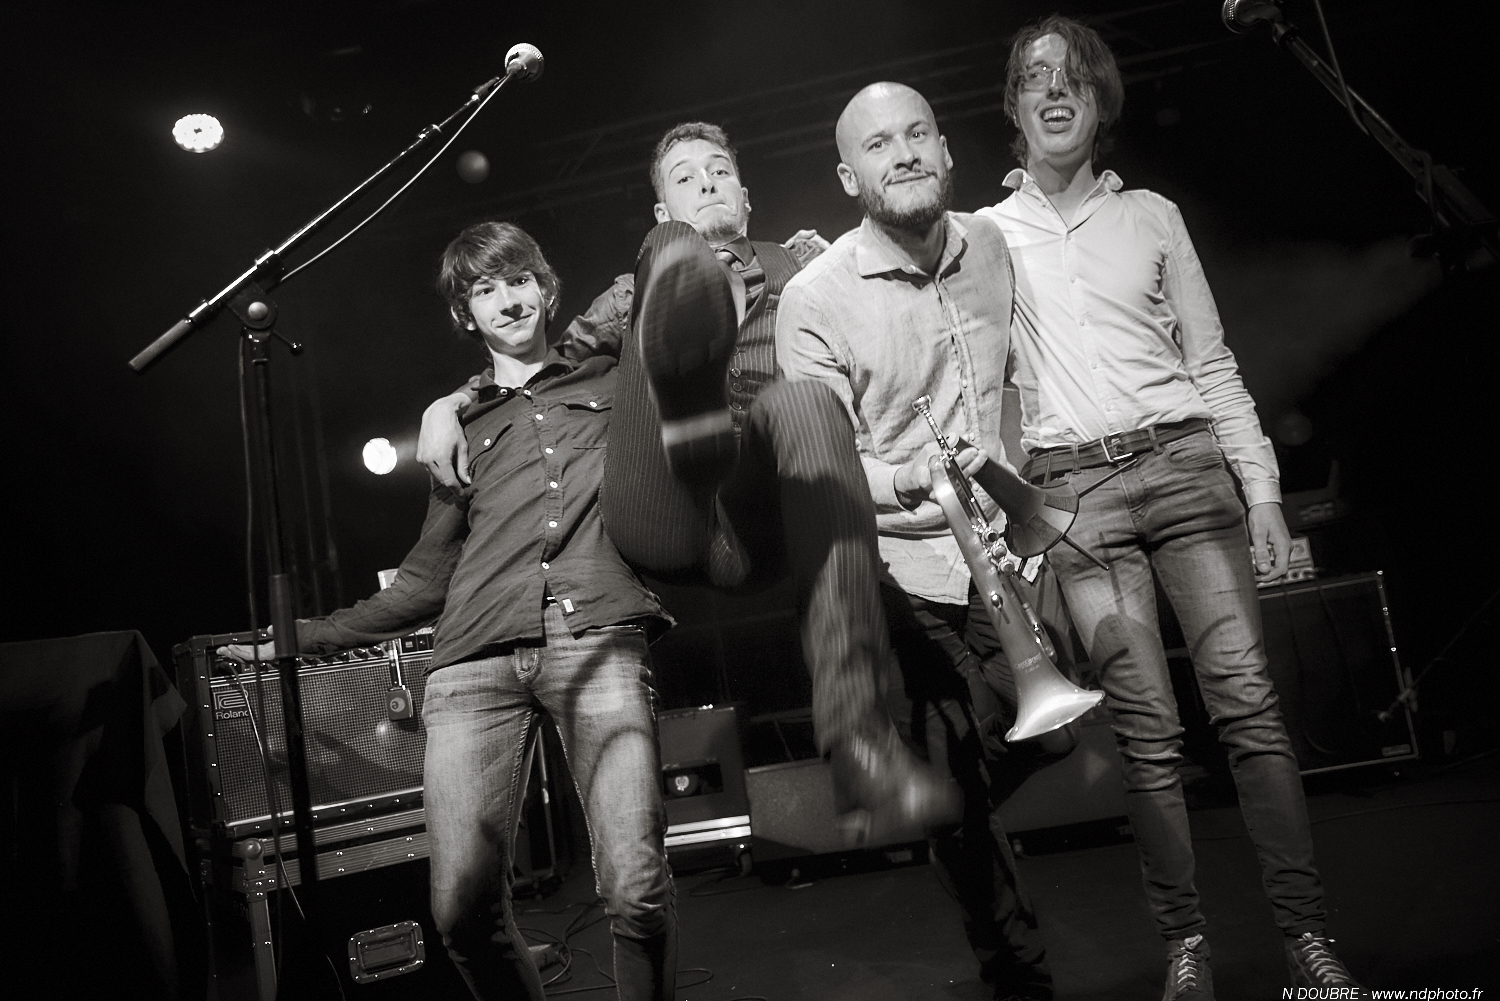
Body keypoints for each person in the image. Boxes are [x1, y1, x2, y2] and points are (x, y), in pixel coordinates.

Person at [417, 122, 960, 836]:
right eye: (684, 177)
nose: (705, 182)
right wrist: (451, 402)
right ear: (662, 205)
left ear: (746, 197)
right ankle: (691, 413)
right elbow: (535, 375)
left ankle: (858, 739)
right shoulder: (628, 293)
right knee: (671, 257)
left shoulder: (806, 272)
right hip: (665, 511)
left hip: (754, 517)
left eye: (718, 171)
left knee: (802, 402)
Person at [973, 15, 1361, 998]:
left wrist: (1263, 489)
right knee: (1146, 735)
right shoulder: (987, 236)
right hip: (1078, 496)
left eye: (1072, 78)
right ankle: (1186, 946)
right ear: (1015, 104)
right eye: (1035, 78)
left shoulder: (1152, 215)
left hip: (1188, 472)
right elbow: (963, 364)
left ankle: (1308, 939)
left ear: (1099, 101)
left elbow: (1213, 361)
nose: (1054, 91)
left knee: (1249, 707)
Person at [225, 222, 677, 1001]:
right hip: (471, 662)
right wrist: (298, 639)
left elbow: (658, 278)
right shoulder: (461, 427)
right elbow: (422, 584)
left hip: (594, 633)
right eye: (484, 290)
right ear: (466, 314)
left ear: (547, 290)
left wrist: (735, 247)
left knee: (637, 887)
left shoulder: (612, 380)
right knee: (460, 911)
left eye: (519, 280)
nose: (507, 300)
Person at [776, 82, 1058, 1001]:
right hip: (900, 561)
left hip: (1003, 548)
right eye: (877, 145)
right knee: (958, 768)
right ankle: (1016, 971)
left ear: (945, 149)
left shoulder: (993, 244)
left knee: (1048, 735)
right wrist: (910, 477)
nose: (900, 155)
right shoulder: (815, 297)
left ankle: (937, 801)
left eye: (915, 135)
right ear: (846, 176)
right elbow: (819, 465)